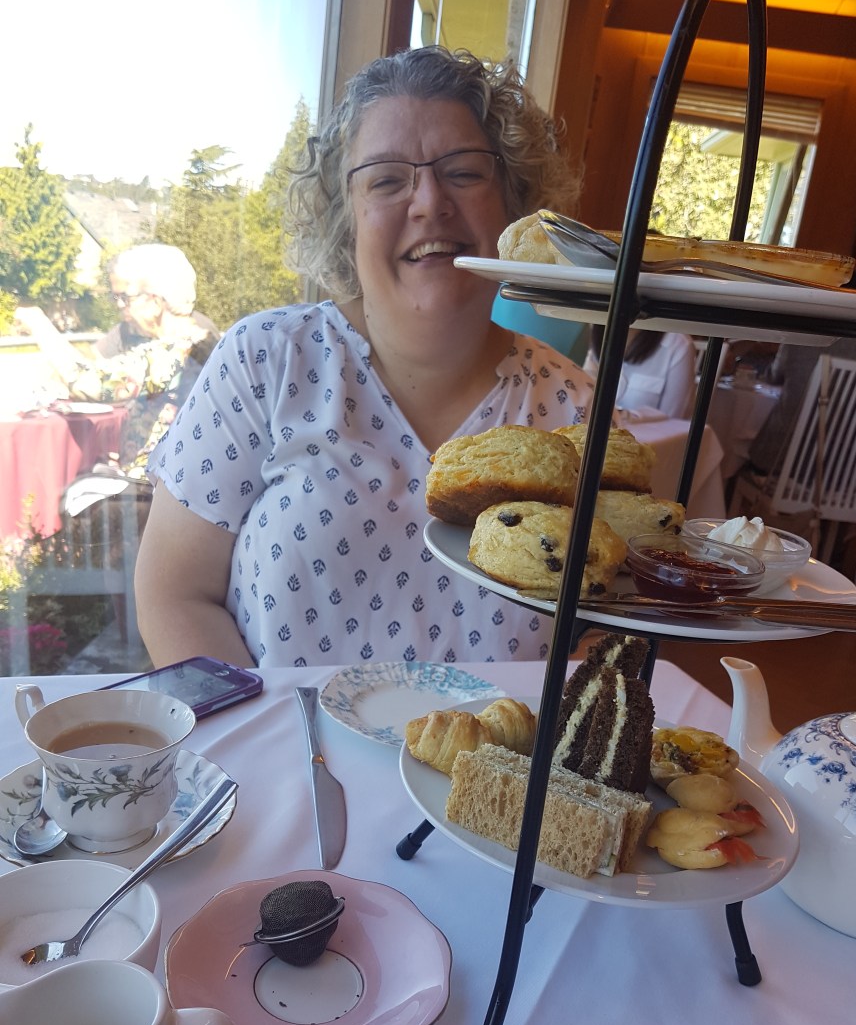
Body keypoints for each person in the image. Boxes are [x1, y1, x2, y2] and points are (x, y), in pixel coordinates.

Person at [134, 46, 593, 669]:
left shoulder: (578, 413)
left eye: (464, 173)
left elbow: (605, 629)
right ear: (344, 222)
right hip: (283, 736)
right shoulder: (265, 362)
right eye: (386, 180)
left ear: (515, 205)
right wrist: (269, 732)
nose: (429, 202)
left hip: (505, 740)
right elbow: (174, 595)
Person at [65, 244, 220, 478]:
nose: (120, 305)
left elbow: (89, 384)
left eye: (127, 298)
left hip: (159, 486)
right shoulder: (196, 339)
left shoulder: (173, 352)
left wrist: (38, 324)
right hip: (172, 480)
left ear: (155, 303)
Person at [745, 335, 856, 477]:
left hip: (779, 459)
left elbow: (773, 377)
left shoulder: (797, 341)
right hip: (840, 469)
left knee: (742, 456)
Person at [585, 327, 697, 418]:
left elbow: (672, 422)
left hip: (647, 439)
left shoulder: (677, 344)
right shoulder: (602, 333)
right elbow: (584, 399)